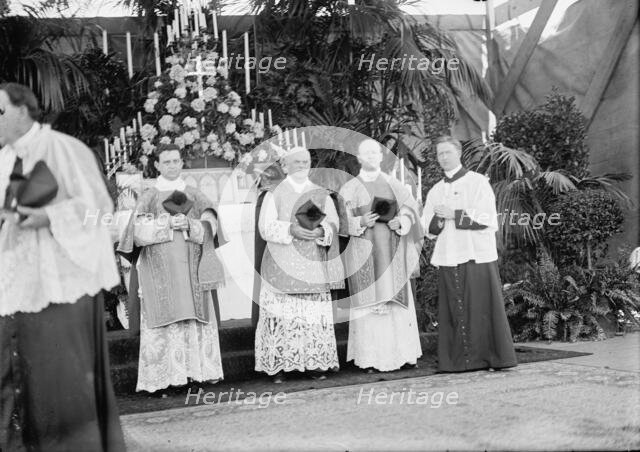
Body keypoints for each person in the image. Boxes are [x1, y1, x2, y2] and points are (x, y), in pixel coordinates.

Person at [0, 83, 125, 451]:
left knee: (60, 387)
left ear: (23, 110)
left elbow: (100, 211)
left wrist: (50, 217)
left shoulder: (65, 150)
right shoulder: (3, 160)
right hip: (13, 286)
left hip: (60, 288)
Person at [117, 144, 225, 393]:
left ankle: (197, 374)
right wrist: (166, 223)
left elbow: (212, 227)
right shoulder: (149, 196)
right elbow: (137, 234)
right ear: (157, 165)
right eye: (167, 162)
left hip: (193, 271)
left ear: (181, 163)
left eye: (176, 161)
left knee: (194, 317)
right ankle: (164, 379)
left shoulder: (196, 195)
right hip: (159, 273)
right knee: (165, 319)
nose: (173, 166)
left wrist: (190, 224)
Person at [422, 135, 517, 372]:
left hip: (476, 254)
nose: (443, 157)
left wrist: (454, 214)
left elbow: (487, 217)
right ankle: (458, 361)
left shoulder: (477, 182)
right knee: (454, 308)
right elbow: (427, 227)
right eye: (440, 154)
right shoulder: (435, 190)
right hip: (449, 254)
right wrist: (438, 220)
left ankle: (491, 358)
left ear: (458, 153)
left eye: (448, 152)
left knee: (482, 307)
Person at [254, 147, 343, 383]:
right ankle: (280, 366)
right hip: (281, 261)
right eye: (297, 162)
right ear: (285, 166)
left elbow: (334, 223)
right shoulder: (274, 192)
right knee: (282, 315)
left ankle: (314, 364)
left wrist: (322, 230)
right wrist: (290, 228)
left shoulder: (320, 193)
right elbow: (266, 227)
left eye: (306, 161)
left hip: (312, 260)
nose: (303, 165)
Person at [338, 139, 423, 372]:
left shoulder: (394, 184)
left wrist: (402, 221)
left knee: (396, 304)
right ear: (358, 157)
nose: (372, 157)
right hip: (364, 254)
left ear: (381, 156)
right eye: (366, 153)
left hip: (392, 253)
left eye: (375, 153)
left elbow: (412, 212)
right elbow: (340, 223)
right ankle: (370, 359)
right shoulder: (350, 188)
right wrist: (359, 221)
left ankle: (404, 355)